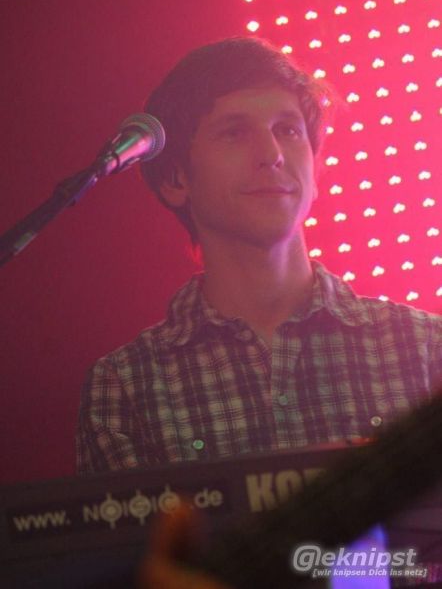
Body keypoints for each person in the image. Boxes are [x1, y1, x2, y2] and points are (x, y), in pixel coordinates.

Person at [76, 37, 441, 586]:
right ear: (175, 179)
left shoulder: (426, 346)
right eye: (234, 131)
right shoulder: (124, 387)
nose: (271, 152)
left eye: (288, 130)